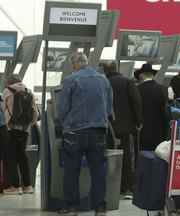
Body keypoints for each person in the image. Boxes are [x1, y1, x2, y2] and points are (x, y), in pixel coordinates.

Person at [57, 53, 113, 216]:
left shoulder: (70, 80)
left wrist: (64, 123)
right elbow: (109, 108)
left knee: (71, 170)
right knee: (98, 170)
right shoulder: (103, 80)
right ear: (87, 63)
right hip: (98, 131)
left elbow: (62, 109)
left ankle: (72, 207)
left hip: (74, 132)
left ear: (74, 64)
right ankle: (100, 208)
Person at [101, 61, 142, 198]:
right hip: (126, 127)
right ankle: (126, 187)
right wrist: (138, 121)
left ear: (105, 70)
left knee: (107, 156)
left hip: (106, 128)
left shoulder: (102, 83)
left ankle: (110, 186)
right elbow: (136, 101)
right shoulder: (127, 82)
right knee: (127, 158)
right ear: (116, 68)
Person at [2, 75, 38, 195]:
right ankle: (28, 186)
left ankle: (15, 186)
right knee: (23, 157)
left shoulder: (7, 91)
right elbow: (35, 113)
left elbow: (3, 109)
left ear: (9, 82)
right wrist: (28, 126)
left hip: (10, 129)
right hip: (24, 130)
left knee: (11, 157)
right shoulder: (29, 91)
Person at [135, 63, 168, 151]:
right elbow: (165, 113)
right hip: (159, 133)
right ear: (153, 75)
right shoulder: (163, 89)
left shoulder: (137, 89)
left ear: (141, 75)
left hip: (142, 132)